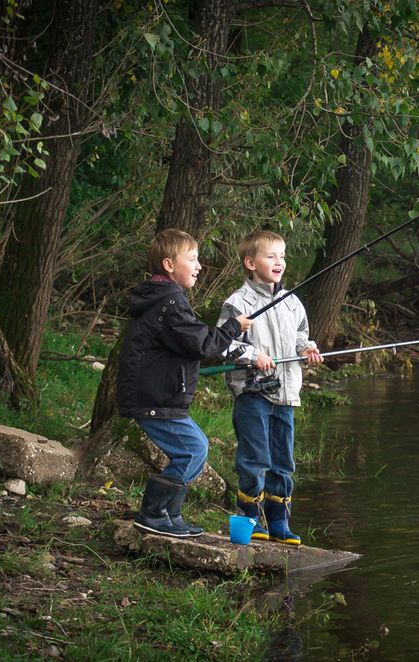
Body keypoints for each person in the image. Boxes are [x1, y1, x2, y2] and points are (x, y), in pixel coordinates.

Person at [117, 229, 252, 538]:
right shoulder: (170, 302)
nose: (199, 265)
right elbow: (201, 344)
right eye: (192, 259)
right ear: (168, 265)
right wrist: (234, 326)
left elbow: (192, 342)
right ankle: (153, 513)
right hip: (154, 397)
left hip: (156, 395)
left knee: (192, 449)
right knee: (193, 449)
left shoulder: (163, 298)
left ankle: (169, 514)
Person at [218, 230, 323, 545]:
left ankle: (280, 523)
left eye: (282, 256)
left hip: (286, 394)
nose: (279, 262)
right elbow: (225, 344)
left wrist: (308, 349)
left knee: (283, 461)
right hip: (254, 394)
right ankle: (251, 518)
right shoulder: (238, 302)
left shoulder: (291, 301)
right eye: (270, 256)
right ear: (250, 262)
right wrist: (253, 355)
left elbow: (302, 335)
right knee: (255, 459)